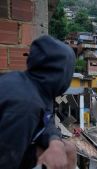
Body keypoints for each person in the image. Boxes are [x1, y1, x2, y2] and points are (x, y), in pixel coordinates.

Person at [0, 36, 77, 169]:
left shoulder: (35, 86)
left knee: (68, 150)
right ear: (63, 74)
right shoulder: (25, 106)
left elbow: (46, 119)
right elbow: (5, 160)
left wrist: (54, 140)